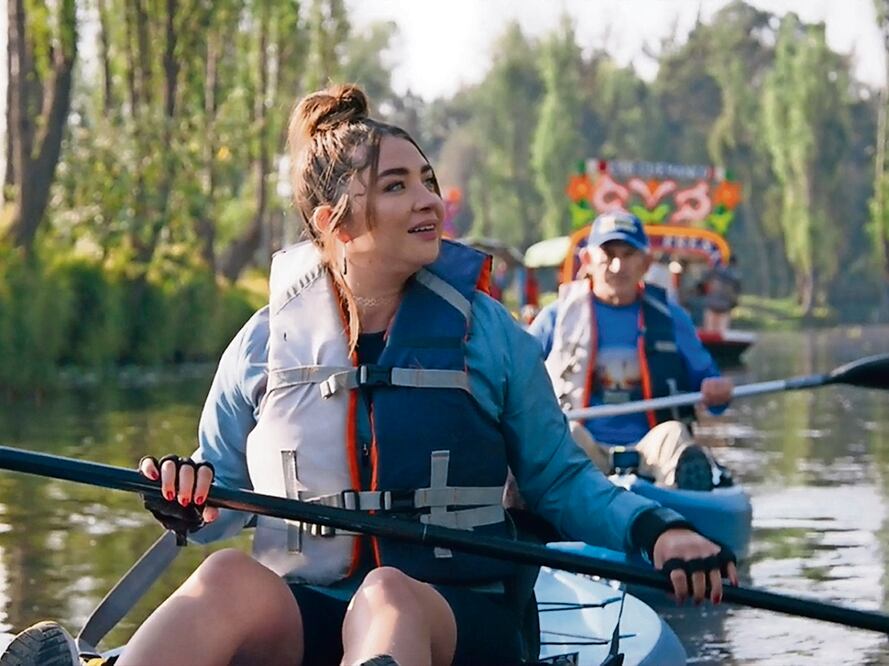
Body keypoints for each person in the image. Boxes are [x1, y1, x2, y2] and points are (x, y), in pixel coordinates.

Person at [1, 85, 737, 666]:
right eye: (396, 186)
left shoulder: (490, 338)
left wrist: (658, 531)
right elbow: (219, 500)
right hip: (317, 614)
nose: (428, 200)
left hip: (460, 618)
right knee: (226, 579)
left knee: (388, 595)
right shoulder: (261, 346)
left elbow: (561, 481)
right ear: (335, 223)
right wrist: (186, 497)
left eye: (427, 180)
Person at [528, 211, 734, 492]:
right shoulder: (557, 316)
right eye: (608, 254)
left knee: (674, 435)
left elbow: (712, 390)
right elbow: (515, 374)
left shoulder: (672, 318)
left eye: (628, 255)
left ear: (645, 263)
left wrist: (716, 389)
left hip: (650, 449)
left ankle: (681, 497)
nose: (617, 266)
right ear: (587, 260)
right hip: (583, 449)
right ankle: (555, 496)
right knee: (566, 433)